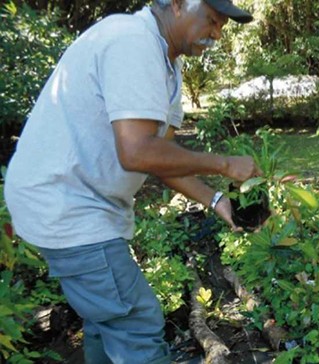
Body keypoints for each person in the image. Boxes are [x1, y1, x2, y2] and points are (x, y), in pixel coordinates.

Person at [4, 0, 259, 363]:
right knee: (135, 323)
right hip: (66, 204)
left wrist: (218, 201)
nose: (216, 34)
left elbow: (160, 156)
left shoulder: (168, 64)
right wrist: (223, 164)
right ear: (176, 5)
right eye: (212, 21)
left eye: (221, 27)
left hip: (84, 204)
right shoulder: (131, 41)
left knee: (106, 320)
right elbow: (137, 152)